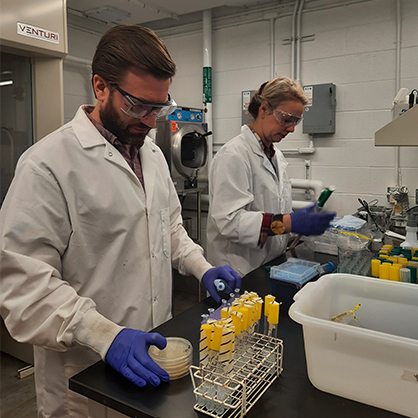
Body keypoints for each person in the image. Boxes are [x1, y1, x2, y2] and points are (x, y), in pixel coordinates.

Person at [0, 25, 241, 418]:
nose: (150, 122)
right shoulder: (47, 166)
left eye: (159, 108)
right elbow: (23, 285)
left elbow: (170, 229)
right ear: (100, 86)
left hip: (154, 356)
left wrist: (202, 268)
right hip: (83, 374)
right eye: (138, 105)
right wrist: (104, 335)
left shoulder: (154, 158)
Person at [207, 76, 336, 277]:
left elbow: (273, 209)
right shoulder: (234, 155)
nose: (292, 128)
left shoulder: (275, 155)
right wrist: (289, 222)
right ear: (264, 109)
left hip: (269, 264)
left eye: (296, 121)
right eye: (287, 119)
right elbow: (229, 222)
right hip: (238, 271)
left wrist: (297, 223)